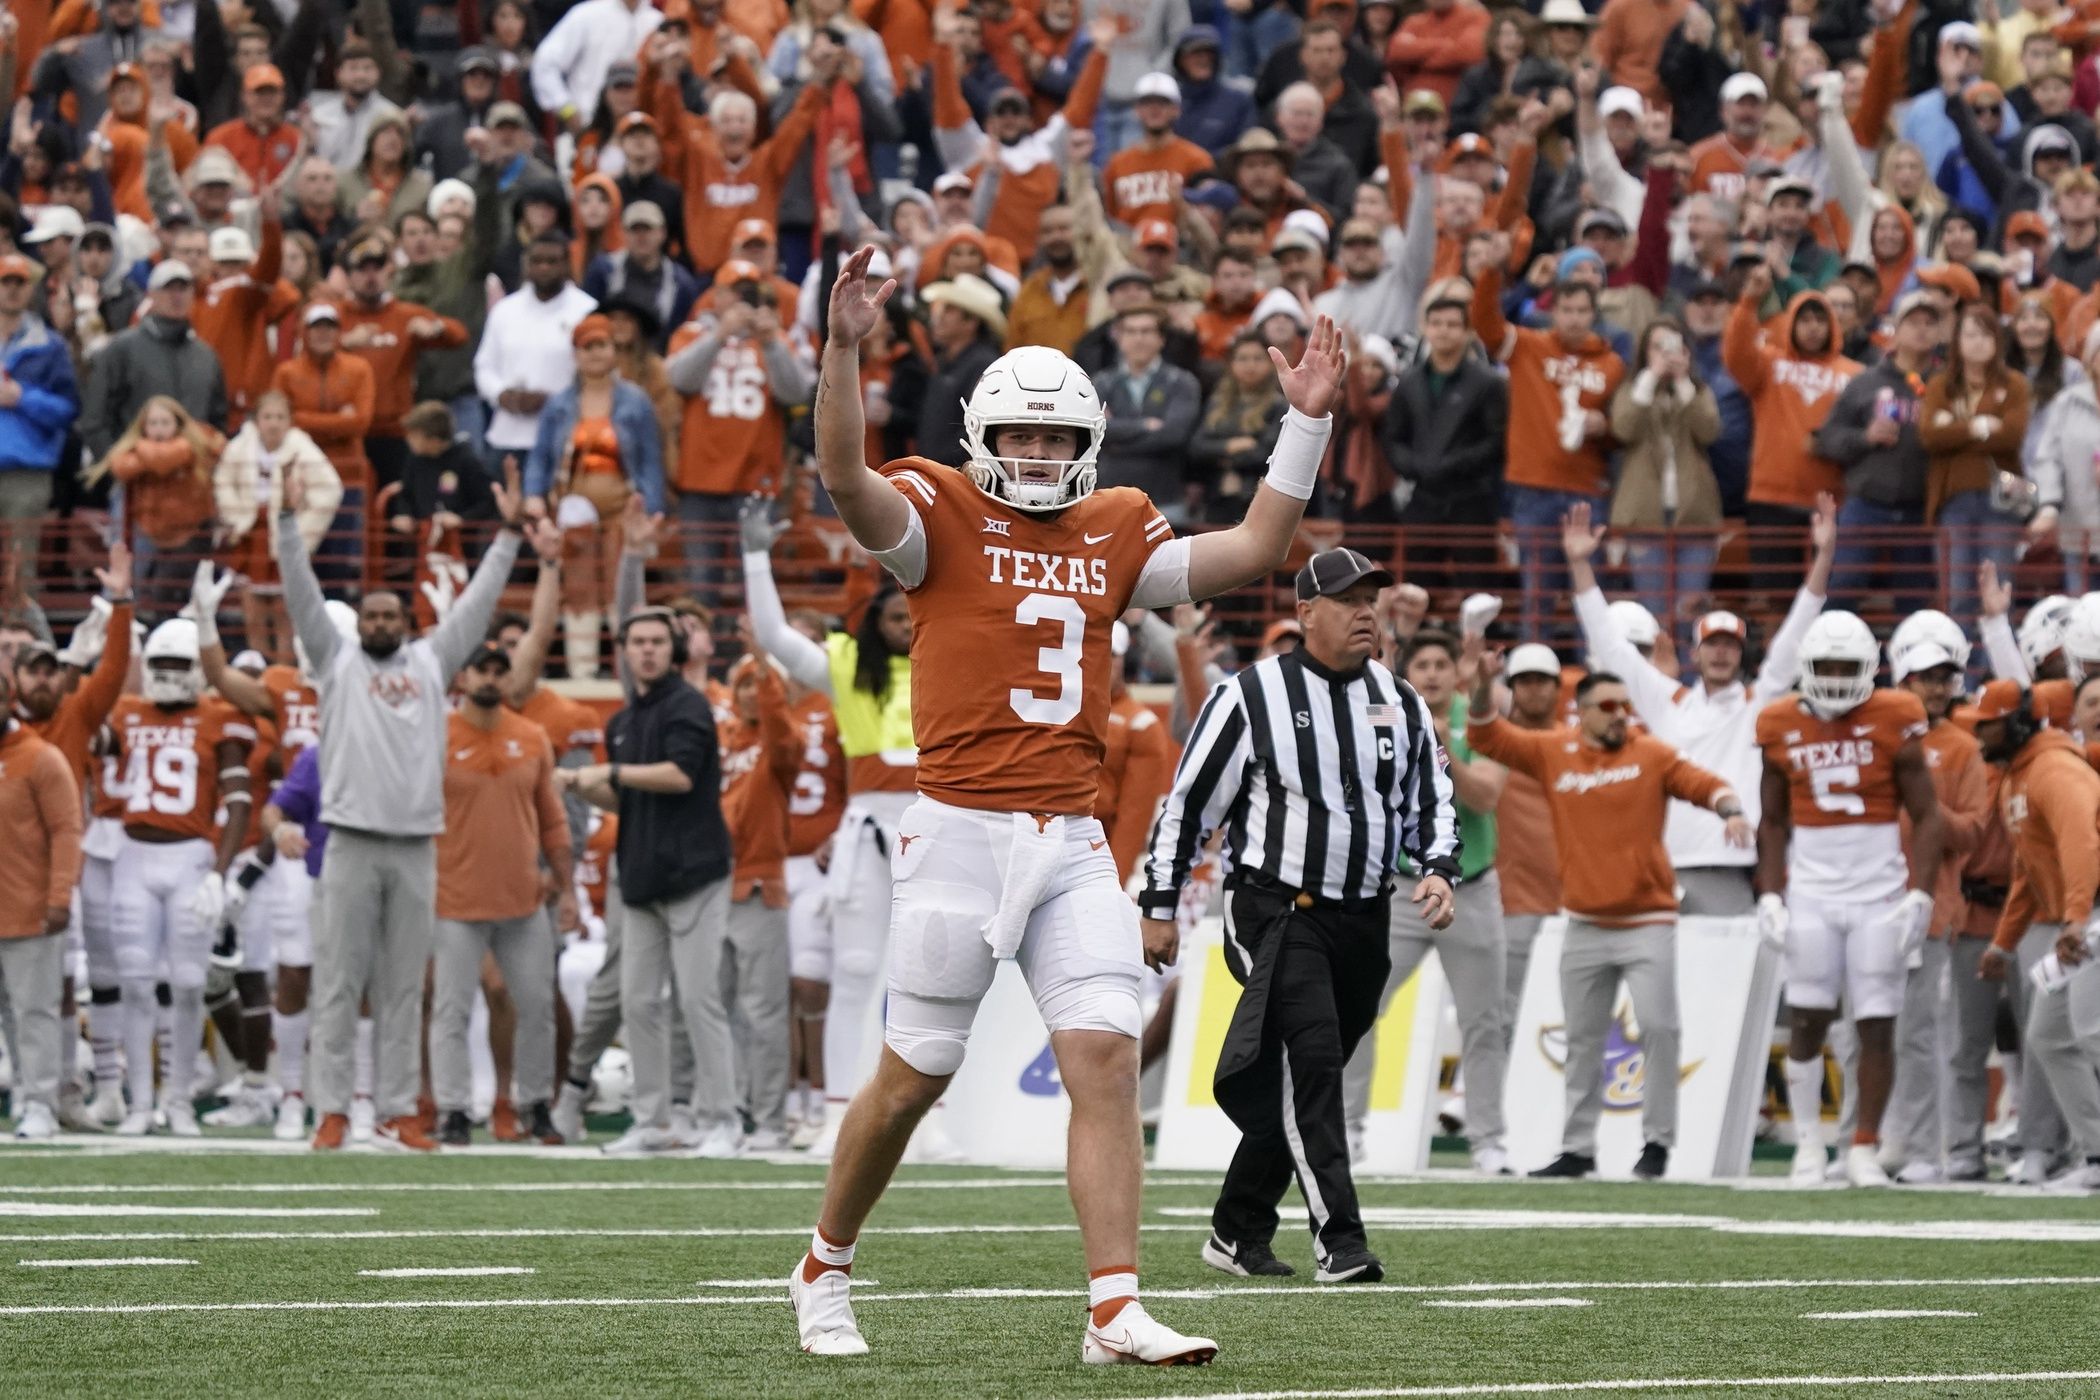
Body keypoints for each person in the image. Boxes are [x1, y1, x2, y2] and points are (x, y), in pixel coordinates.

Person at [786, 247, 1344, 1365]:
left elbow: (1254, 548)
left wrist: (1305, 428)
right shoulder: (935, 513)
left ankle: (1111, 1306)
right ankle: (823, 1262)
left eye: (1054, 438)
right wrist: (843, 348)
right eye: (1018, 437)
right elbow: (845, 476)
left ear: (1084, 445)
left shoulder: (1118, 526)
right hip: (956, 832)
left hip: (1073, 839)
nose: (1036, 455)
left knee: (1100, 1052)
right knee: (909, 1080)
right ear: (982, 442)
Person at [1147, 549, 1460, 1280]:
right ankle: (1340, 1241)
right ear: (1305, 612)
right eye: (1348, 600)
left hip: (1364, 918)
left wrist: (1440, 868)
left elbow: (1429, 801)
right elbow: (1188, 808)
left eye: (1372, 600)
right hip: (1276, 907)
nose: (1364, 613)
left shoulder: (1400, 699)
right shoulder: (1247, 696)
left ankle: (1236, 1230)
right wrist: (1159, 906)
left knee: (1302, 1076)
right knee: (1314, 1066)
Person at [277, 457, 535, 1152]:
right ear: (359, 623)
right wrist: (284, 522)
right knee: (338, 983)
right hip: (351, 840)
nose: (384, 621)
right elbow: (300, 595)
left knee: (401, 990)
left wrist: (509, 536)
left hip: (417, 843)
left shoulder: (430, 661)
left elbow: (478, 603)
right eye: (374, 613)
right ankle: (332, 1109)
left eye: (393, 613)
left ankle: (395, 1110)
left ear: (408, 620)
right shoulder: (335, 662)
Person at [1467, 643, 1751, 1181]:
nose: (1622, 714)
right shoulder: (1556, 750)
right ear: (1584, 710)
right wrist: (1483, 686)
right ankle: (1577, 1147)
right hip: (1584, 923)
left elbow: (1705, 784)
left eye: (1626, 705)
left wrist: (1730, 809)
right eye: (1610, 706)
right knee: (1580, 1039)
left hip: (1648, 922)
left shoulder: (1652, 754)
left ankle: (1658, 1144)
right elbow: (1486, 736)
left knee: (1660, 1030)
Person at [738, 506, 916, 1158]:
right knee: (858, 967)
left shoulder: (956, 662)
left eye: (911, 617)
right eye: (894, 618)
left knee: (929, 977)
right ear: (872, 621)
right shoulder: (845, 667)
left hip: (939, 827)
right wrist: (757, 557)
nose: (905, 627)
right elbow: (777, 638)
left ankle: (934, 1117)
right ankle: (842, 1110)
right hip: (870, 825)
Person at [1565, 498, 1832, 915]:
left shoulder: (1758, 704)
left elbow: (1796, 631)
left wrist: (1825, 555)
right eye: (1712, 646)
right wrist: (1580, 564)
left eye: (1730, 646)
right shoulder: (1669, 703)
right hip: (1663, 867)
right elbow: (1610, 645)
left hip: (1729, 865)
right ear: (1695, 652)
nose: (1721, 655)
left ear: (1742, 654)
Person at [1756, 611, 1945, 1189]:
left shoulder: (1897, 714)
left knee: (1877, 1023)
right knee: (1809, 1018)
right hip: (1812, 889)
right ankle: (1810, 1144)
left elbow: (1928, 814)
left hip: (1878, 892)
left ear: (1871, 670)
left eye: (1848, 668)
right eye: (1826, 667)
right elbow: (1771, 822)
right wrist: (1769, 894)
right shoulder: (1777, 720)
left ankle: (1864, 1145)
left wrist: (1920, 892)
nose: (1837, 678)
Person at [554, 607, 733, 1157]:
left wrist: (607, 773)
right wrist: (582, 787)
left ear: (672, 649)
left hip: (696, 873)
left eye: (657, 641)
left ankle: (724, 1120)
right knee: (637, 1002)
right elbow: (625, 798)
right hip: (641, 875)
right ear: (624, 651)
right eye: (638, 642)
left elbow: (679, 776)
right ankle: (653, 1121)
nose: (648, 650)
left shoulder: (689, 706)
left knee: (698, 999)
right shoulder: (623, 721)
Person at [109, 618, 256, 1135]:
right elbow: (79, 722)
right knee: (134, 985)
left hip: (191, 856)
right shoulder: (126, 713)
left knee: (192, 984)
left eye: (178, 664)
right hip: (133, 854)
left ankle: (177, 1100)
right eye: (160, 663)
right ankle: (139, 1103)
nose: (168, 674)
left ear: (198, 670)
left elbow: (240, 800)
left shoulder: (219, 717)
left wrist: (220, 871)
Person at [431, 642, 573, 1147]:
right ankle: (452, 1107)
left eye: (499, 671)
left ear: (509, 679)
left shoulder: (532, 736)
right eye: (481, 670)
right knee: (452, 1008)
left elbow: (551, 816)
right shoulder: (435, 733)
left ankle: (533, 1103)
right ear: (463, 677)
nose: (490, 679)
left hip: (523, 898)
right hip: (455, 896)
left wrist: (566, 884)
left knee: (536, 1004)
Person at [1970, 677, 2100, 1193]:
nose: (1981, 735)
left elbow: (2082, 843)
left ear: (2020, 722)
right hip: (2080, 914)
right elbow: (2028, 869)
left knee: (2092, 1029)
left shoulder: (2053, 768)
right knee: (2048, 1034)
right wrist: (2004, 942)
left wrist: (2074, 917)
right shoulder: (2016, 778)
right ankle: (2095, 1154)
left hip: (2091, 910)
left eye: (1990, 725)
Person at [1879, 611, 1991, 1184]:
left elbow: (1974, 830)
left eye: (1945, 676)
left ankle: (1923, 1150)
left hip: (1931, 908)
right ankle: (1867, 1143)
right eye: (1927, 676)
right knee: (1863, 1032)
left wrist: (1920, 810)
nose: (1938, 685)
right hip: (1868, 903)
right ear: (1902, 677)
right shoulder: (1873, 735)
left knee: (1919, 1037)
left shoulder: (1964, 748)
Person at [0, 660, 84, 1142]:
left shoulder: (40, 757)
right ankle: (23, 1095)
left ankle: (41, 1104)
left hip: (30, 910)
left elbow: (67, 830)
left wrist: (59, 896)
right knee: (12, 1015)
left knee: (36, 1012)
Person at [475, 232, 600, 481]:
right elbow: (484, 365)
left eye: (552, 261)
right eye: (537, 260)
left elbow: (596, 371)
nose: (544, 268)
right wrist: (502, 395)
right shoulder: (505, 310)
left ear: (566, 265)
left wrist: (554, 401)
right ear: (526, 264)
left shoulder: (586, 310)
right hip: (507, 435)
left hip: (564, 434)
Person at [0, 251, 81, 598]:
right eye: (6, 282)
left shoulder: (50, 346)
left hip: (27, 471)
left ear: (31, 290)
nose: (13, 290)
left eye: (20, 283)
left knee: (21, 570)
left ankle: (17, 643)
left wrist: (21, 397)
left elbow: (68, 409)